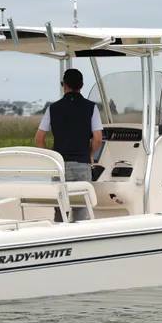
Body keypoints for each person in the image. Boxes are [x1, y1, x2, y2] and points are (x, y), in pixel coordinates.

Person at [35, 68, 103, 222]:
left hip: (60, 166)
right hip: (82, 164)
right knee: (81, 211)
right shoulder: (91, 107)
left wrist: (50, 158)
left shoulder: (52, 108)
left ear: (64, 85)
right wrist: (90, 155)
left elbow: (39, 137)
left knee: (60, 211)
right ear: (82, 85)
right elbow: (98, 138)